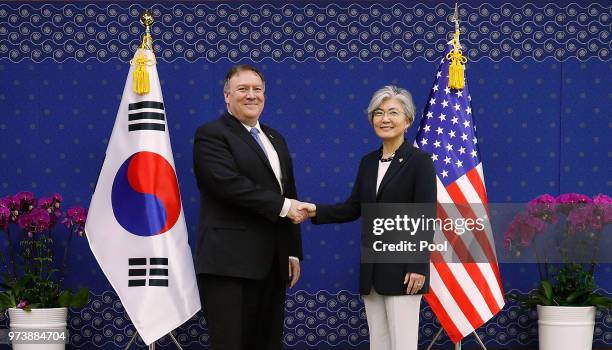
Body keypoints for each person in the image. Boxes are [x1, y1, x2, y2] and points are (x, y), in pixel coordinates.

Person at [299, 86, 437, 350]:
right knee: (379, 343)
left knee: (403, 344)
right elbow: (353, 208)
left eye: (393, 113)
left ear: (407, 120)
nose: (385, 119)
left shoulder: (420, 162)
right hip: (372, 268)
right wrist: (314, 210)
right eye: (379, 113)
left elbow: (425, 215)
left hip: (404, 270)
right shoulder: (368, 162)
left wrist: (418, 266)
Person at [192, 64, 307, 350]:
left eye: (257, 89)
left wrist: (292, 251)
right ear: (227, 96)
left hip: (273, 263)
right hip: (228, 264)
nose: (251, 95)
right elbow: (226, 184)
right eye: (242, 89)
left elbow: (288, 192)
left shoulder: (275, 138)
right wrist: (283, 206)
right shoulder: (211, 134)